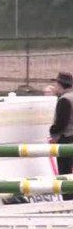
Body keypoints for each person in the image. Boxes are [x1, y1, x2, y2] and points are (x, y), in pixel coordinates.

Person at [49, 71, 73, 200]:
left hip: (66, 139)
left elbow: (61, 123)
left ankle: (68, 200)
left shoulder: (64, 100)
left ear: (60, 84)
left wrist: (52, 130)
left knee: (65, 174)